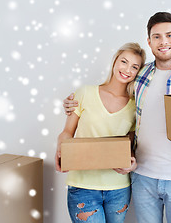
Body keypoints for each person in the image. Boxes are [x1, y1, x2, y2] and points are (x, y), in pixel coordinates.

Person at [63, 12, 171, 223]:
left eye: (169, 35)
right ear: (149, 41)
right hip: (142, 177)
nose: (163, 41)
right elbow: (120, 111)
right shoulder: (139, 76)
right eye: (156, 37)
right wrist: (74, 103)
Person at [56, 42, 146, 223]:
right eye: (124, 62)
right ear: (115, 62)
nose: (127, 69)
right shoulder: (84, 93)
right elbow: (67, 132)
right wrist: (60, 151)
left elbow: (130, 146)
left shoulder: (135, 106)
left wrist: (132, 163)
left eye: (134, 67)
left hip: (118, 189)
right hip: (82, 187)